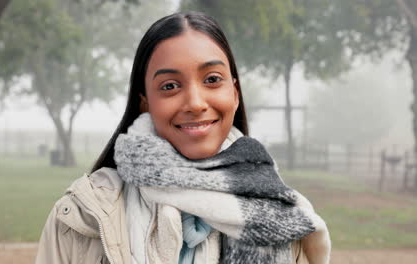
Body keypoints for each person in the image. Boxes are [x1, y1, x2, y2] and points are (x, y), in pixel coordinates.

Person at [36, 11, 331, 264]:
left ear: (235, 93)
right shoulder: (79, 215)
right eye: (170, 86)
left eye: (212, 80)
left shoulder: (282, 219)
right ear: (144, 103)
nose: (195, 102)